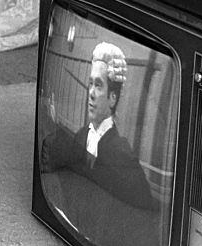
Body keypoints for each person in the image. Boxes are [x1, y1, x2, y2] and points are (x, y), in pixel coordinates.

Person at [40, 42, 153, 210]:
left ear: (112, 98)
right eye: (91, 83)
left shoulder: (121, 152)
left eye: (98, 85)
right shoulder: (82, 134)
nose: (91, 93)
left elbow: (144, 201)